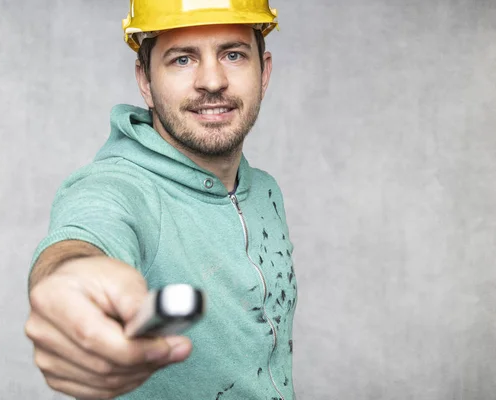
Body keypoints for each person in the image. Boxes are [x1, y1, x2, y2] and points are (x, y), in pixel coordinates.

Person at [24, 1, 298, 399]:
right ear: (145, 81)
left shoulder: (265, 191)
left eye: (233, 54)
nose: (212, 81)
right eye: (183, 59)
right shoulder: (119, 186)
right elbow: (84, 233)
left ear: (265, 71)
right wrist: (68, 278)